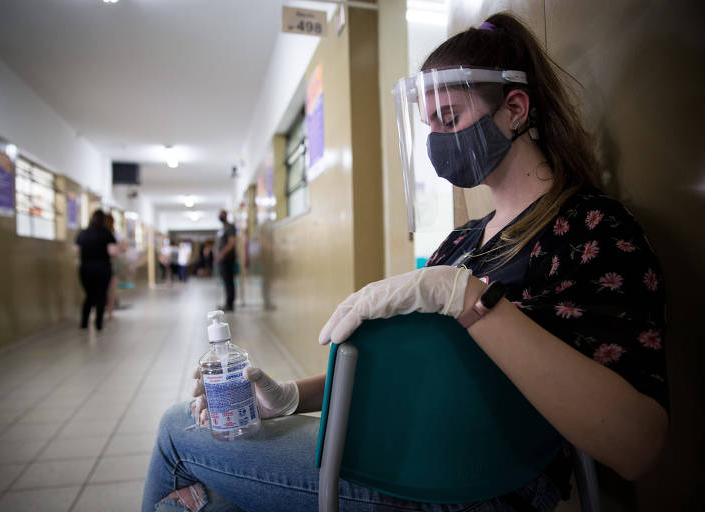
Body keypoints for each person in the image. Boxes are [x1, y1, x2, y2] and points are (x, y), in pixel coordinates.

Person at [143, 13, 668, 512]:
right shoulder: (462, 242)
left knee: (175, 432)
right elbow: (404, 372)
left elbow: (636, 445)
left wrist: (467, 298)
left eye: (450, 118)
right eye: (430, 126)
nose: (440, 141)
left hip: (480, 480)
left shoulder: (589, 229)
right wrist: (286, 399)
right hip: (414, 445)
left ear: (515, 108)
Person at [75, 210, 117, 331]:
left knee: (89, 295)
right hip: (103, 268)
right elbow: (112, 252)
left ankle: (84, 323)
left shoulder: (83, 233)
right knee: (101, 295)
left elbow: (76, 250)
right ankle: (98, 323)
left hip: (86, 268)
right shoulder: (107, 233)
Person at [215, 210, 237, 311]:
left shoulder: (230, 227)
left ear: (226, 215)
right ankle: (227, 303)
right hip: (222, 259)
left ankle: (230, 304)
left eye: (221, 214)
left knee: (229, 281)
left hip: (227, 258)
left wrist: (222, 253)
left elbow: (232, 242)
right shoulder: (222, 229)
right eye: (219, 215)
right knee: (226, 281)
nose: (220, 216)